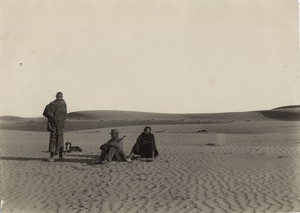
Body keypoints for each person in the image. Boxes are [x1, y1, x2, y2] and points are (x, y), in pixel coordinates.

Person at [43, 92, 67, 161]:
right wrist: (51, 116)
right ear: (56, 96)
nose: (59, 97)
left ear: (62, 97)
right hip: (53, 124)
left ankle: (60, 155)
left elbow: (65, 114)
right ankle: (52, 155)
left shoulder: (64, 104)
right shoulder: (52, 104)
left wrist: (61, 120)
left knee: (60, 140)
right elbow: (45, 112)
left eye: (60, 96)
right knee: (53, 139)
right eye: (58, 96)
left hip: (61, 125)